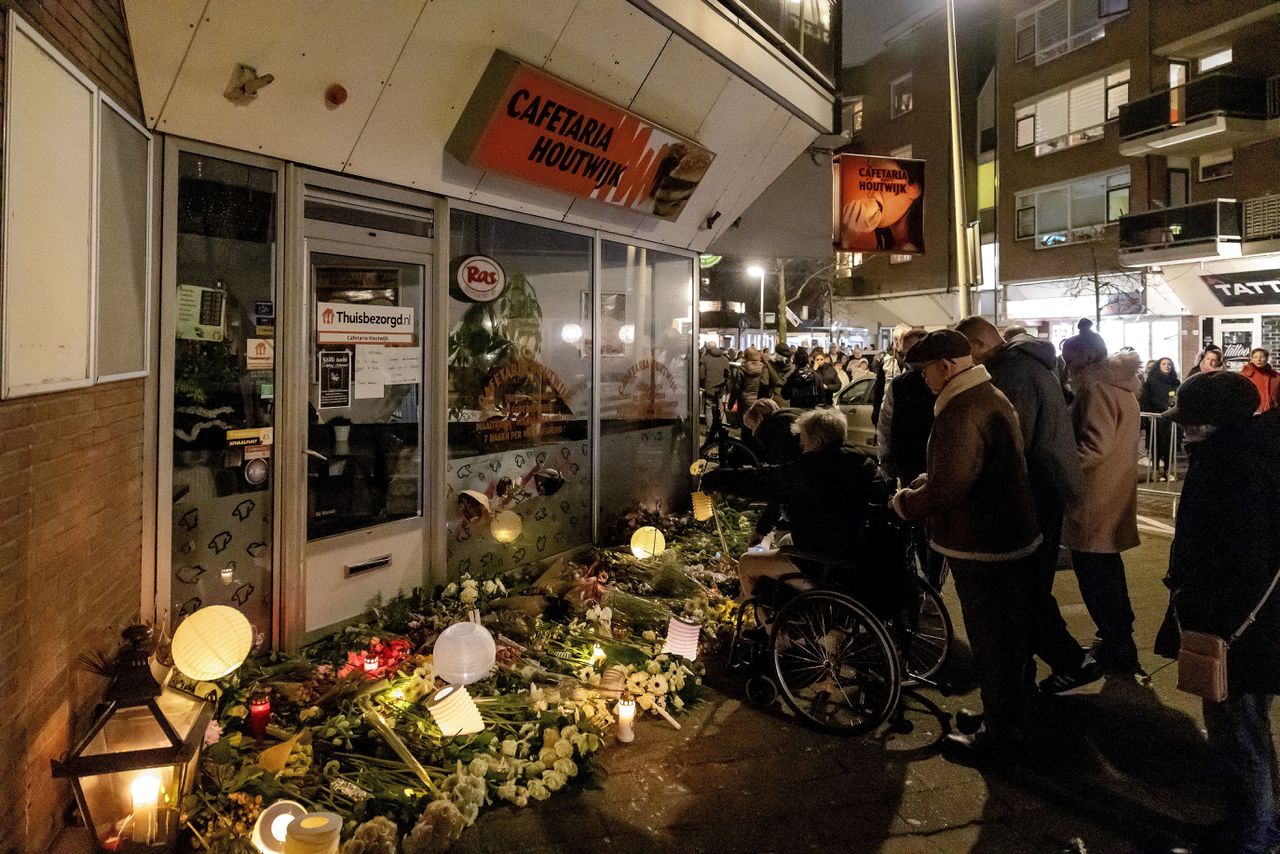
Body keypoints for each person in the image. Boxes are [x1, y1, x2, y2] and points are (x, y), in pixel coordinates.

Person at [891, 330, 1040, 760]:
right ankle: (1005, 713)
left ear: (947, 366)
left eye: (925, 371)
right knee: (1007, 637)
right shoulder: (987, 395)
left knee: (991, 638)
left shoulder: (962, 408)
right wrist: (929, 479)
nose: (923, 379)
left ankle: (999, 736)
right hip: (1006, 535)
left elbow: (950, 486)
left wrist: (905, 503)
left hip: (982, 541)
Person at [1158, 371, 1280, 854]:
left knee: (1237, 729)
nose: (1184, 431)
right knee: (1251, 722)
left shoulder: (1229, 465)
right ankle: (1262, 820)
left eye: (1190, 422)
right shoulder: (1256, 451)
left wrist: (1204, 616)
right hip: (1259, 619)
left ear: (1211, 423)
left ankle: (1252, 834)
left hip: (1237, 622)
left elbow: (1235, 555)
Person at [957, 317, 1098, 695]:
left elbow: (1009, 444)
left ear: (977, 346)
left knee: (1024, 591)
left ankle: (1060, 665)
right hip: (1043, 490)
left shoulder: (1012, 375)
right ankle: (1037, 674)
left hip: (1034, 493)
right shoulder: (1023, 366)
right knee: (1028, 589)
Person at [703, 408, 879, 602]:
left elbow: (765, 481)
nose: (802, 448)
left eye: (803, 441)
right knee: (786, 540)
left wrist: (715, 478)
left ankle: (768, 628)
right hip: (857, 555)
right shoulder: (862, 462)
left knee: (746, 564)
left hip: (828, 563)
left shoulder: (817, 469)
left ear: (818, 441)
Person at [1061, 331, 1145, 679]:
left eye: (1069, 358)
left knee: (1096, 577)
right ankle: (1117, 641)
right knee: (1108, 574)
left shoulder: (1096, 390)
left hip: (1095, 498)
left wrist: (1059, 465)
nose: (1065, 366)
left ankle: (1116, 644)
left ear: (1083, 359)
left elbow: (1095, 446)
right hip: (1112, 494)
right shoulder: (1120, 388)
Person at [877, 328, 929, 484]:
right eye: (904, 353)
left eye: (913, 351)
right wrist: (885, 458)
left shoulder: (945, 380)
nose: (908, 358)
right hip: (907, 464)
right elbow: (885, 424)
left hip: (935, 462)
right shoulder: (900, 384)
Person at [1141, 357, 1181, 482]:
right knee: (1156, 445)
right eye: (1164, 364)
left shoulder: (1176, 382)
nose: (1167, 366)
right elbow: (1146, 400)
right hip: (1156, 418)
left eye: (1169, 364)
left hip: (1170, 419)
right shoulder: (1152, 382)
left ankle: (1168, 470)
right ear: (1159, 366)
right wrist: (1149, 416)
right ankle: (1156, 471)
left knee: (1170, 445)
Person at [872, 324, 915, 425]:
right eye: (896, 339)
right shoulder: (886, 360)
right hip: (887, 411)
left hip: (909, 413)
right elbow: (878, 388)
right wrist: (876, 412)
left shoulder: (915, 360)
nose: (899, 342)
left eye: (903, 339)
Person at [724, 347, 772, 427]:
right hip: (759, 399)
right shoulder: (763, 368)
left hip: (745, 401)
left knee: (746, 424)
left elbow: (736, 387)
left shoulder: (742, 369)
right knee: (758, 424)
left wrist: (731, 403)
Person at [699, 343, 733, 421]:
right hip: (720, 387)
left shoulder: (705, 358)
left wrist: (703, 384)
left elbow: (701, 375)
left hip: (709, 387)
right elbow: (728, 374)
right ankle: (723, 427)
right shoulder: (725, 359)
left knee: (708, 408)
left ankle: (709, 429)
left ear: (708, 348)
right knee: (721, 408)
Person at [1242, 347, 1280, 413]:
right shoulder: (1245, 375)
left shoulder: (1276, 376)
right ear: (1252, 359)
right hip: (1254, 412)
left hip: (1273, 413)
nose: (1258, 360)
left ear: (1267, 358)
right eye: (1255, 357)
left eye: (1262, 357)